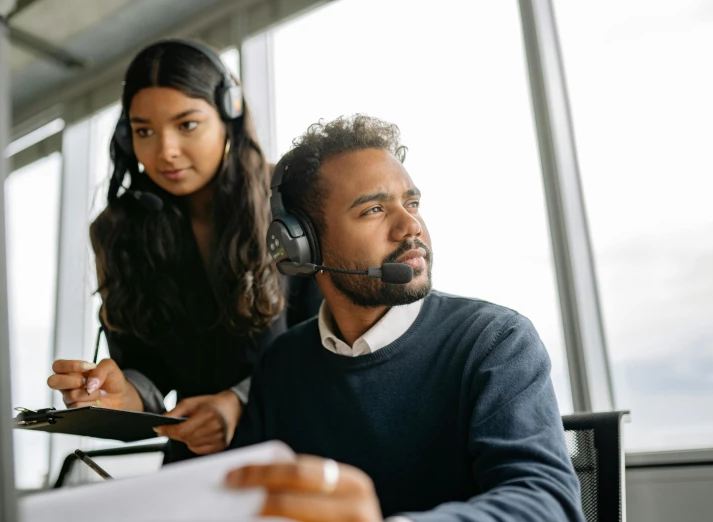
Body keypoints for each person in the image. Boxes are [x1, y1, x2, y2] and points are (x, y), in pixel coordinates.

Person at [226, 115, 584, 521]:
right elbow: (241, 503)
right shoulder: (284, 364)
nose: (410, 225)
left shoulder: (495, 342)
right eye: (375, 209)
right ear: (303, 247)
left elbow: (547, 505)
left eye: (411, 203)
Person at [46, 40, 321, 461]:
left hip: (300, 442)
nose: (165, 151)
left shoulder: (290, 203)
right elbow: (147, 375)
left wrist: (238, 400)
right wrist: (118, 392)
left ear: (229, 117)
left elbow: (331, 337)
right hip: (195, 457)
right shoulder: (119, 230)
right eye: (144, 132)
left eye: (187, 125)